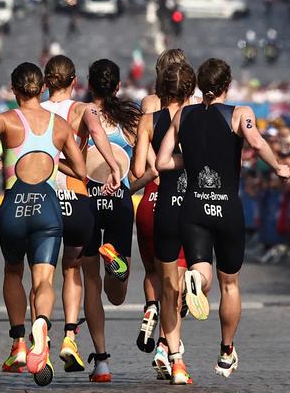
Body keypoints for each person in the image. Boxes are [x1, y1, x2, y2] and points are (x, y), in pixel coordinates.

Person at [157, 58, 290, 381]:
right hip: (227, 207)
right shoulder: (240, 114)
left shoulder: (182, 115)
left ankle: (195, 283)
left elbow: (161, 162)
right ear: (227, 85)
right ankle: (226, 351)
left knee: (200, 269)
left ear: (200, 85)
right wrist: (279, 168)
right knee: (229, 283)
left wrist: (188, 162)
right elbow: (257, 143)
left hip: (194, 208)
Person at [0, 62, 86, 385]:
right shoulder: (60, 125)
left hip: (13, 207)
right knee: (44, 281)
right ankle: (41, 321)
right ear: (42, 89)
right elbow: (80, 171)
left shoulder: (5, 120)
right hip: (47, 212)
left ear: (13, 90)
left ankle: (19, 345)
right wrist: (53, 161)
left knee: (13, 272)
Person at [42, 55, 121, 373]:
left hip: (44, 196)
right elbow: (99, 137)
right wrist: (114, 168)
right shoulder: (82, 110)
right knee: (74, 271)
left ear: (46, 83)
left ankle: (39, 339)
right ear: (74, 82)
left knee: (42, 275)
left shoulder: (34, 112)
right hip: (76, 197)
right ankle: (70, 337)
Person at [133, 58, 197, 383]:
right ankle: (170, 352)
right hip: (191, 205)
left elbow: (139, 171)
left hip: (156, 201)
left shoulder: (147, 115)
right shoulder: (199, 114)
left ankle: (166, 343)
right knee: (179, 286)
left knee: (157, 277)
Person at [82, 59, 140, 382]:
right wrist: (130, 186)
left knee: (91, 283)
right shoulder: (131, 120)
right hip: (120, 200)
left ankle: (101, 362)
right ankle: (114, 259)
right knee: (117, 294)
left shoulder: (82, 115)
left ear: (90, 86)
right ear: (118, 86)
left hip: (88, 199)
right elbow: (144, 168)